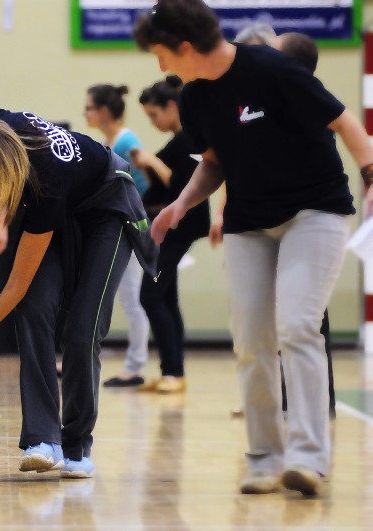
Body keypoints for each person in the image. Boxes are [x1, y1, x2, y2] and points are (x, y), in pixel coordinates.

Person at [134, 0, 373, 496]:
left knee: (298, 325)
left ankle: (308, 458)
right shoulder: (195, 97)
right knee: (250, 338)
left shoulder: (273, 69)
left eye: (160, 54)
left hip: (315, 211)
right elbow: (215, 161)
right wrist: (180, 205)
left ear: (183, 47)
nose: (159, 66)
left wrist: (370, 175)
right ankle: (265, 457)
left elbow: (347, 123)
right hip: (249, 221)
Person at [0, 99, 156, 478]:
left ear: (0, 164)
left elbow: (15, 286)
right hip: (64, 210)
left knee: (82, 328)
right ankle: (42, 439)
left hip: (107, 208)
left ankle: (76, 444)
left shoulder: (44, 179)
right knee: (34, 310)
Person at [132, 77, 210, 393]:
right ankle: (173, 372)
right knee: (165, 296)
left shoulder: (192, 137)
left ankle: (173, 372)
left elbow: (184, 186)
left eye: (154, 115)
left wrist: (152, 161)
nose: (153, 122)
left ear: (171, 107)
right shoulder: (181, 139)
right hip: (172, 228)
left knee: (150, 295)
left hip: (182, 227)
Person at [84, 84, 151, 388]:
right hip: (117, 225)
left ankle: (135, 365)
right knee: (123, 297)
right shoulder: (109, 141)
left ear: (104, 112)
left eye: (89, 107)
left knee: (131, 298)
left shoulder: (127, 141)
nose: (85, 112)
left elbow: (146, 183)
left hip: (132, 224)